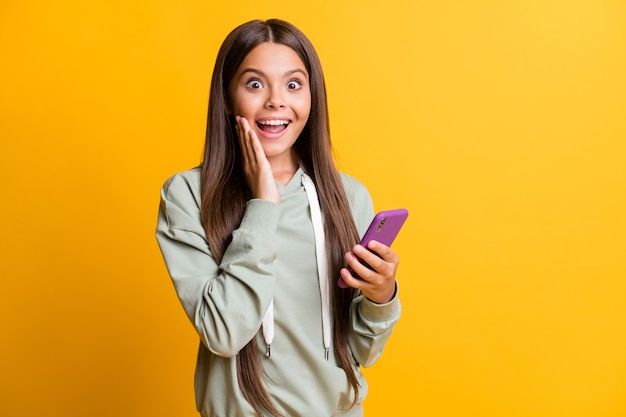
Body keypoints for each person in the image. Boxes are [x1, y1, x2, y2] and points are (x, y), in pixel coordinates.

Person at [155, 18, 401, 417]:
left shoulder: (347, 197)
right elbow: (223, 333)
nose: (275, 101)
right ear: (226, 96)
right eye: (255, 84)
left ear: (312, 97)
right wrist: (263, 206)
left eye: (293, 84)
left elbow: (361, 354)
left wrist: (380, 297)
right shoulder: (187, 195)